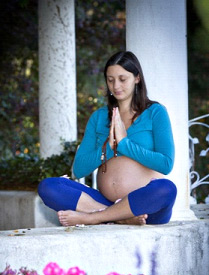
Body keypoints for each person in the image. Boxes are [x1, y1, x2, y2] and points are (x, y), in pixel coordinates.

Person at [38, 51, 177, 227]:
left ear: (137, 78)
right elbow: (79, 169)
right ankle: (119, 217)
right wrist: (109, 149)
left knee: (166, 189)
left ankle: (95, 217)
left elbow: (166, 164)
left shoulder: (155, 112)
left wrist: (124, 144)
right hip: (104, 201)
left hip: (144, 207)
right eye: (110, 80)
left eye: (122, 79)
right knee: (49, 186)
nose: (116, 85)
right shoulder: (99, 117)